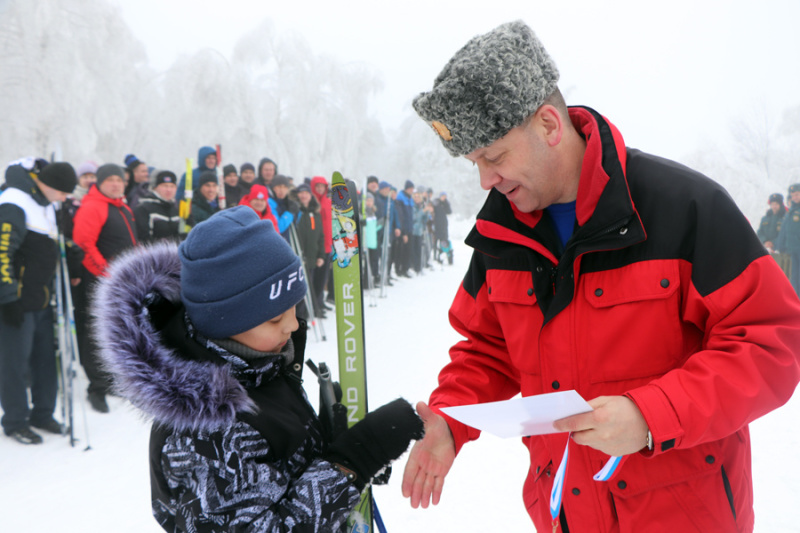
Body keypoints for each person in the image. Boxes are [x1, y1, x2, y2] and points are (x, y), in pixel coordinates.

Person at [401, 21, 800, 533]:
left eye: (494, 157)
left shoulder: (684, 207)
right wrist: (450, 421)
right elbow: (486, 348)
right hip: (566, 513)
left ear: (549, 125)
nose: (486, 180)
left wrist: (651, 415)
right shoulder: (501, 233)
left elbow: (772, 343)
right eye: (475, 162)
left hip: (685, 516)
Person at [92, 206, 424, 531]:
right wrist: (351, 462)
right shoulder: (206, 433)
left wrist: (328, 450)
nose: (292, 325)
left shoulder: (257, 364)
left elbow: (279, 464)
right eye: (275, 318)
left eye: (294, 307)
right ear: (223, 322)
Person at [0, 160, 76, 444]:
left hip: (42, 298)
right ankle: (15, 420)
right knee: (14, 364)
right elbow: (2, 252)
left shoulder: (45, 202)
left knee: (46, 360)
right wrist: (7, 298)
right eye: (64, 192)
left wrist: (72, 252)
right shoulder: (13, 202)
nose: (66, 198)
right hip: (17, 301)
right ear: (50, 185)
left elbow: (48, 243)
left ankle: (43, 413)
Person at [73, 163, 138, 412]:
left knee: (113, 332)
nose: (116, 184)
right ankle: (96, 388)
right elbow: (84, 245)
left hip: (120, 282)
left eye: (119, 180)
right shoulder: (93, 206)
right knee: (94, 334)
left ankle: (109, 380)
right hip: (99, 281)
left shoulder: (121, 207)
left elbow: (131, 242)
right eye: (110, 179)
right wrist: (106, 274)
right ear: (99, 183)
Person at [291, 183, 326, 317]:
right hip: (298, 256)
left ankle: (309, 311)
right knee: (299, 288)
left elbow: (320, 236)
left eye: (307, 193)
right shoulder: (295, 212)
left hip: (312, 257)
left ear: (311, 196)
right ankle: (300, 315)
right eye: (301, 193)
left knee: (309, 285)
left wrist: (321, 255)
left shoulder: (315, 213)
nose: (304, 195)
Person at [134, 170, 181, 244]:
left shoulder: (176, 208)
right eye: (164, 186)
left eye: (172, 186)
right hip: (154, 253)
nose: (169, 190)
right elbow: (144, 238)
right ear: (155, 188)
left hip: (174, 253)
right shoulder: (144, 208)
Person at [776, 184, 800, 295]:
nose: (795, 197)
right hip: (792, 251)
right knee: (794, 278)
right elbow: (784, 231)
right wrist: (779, 246)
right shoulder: (791, 211)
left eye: (797, 194)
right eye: (793, 195)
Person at [433, 191, 453, 265]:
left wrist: (446, 203)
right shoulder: (436, 203)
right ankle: (435, 257)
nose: (444, 197)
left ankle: (443, 257)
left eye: (445, 196)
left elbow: (449, 212)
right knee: (435, 243)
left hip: (444, 226)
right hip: (436, 226)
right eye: (442, 196)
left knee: (444, 242)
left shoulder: (445, 204)